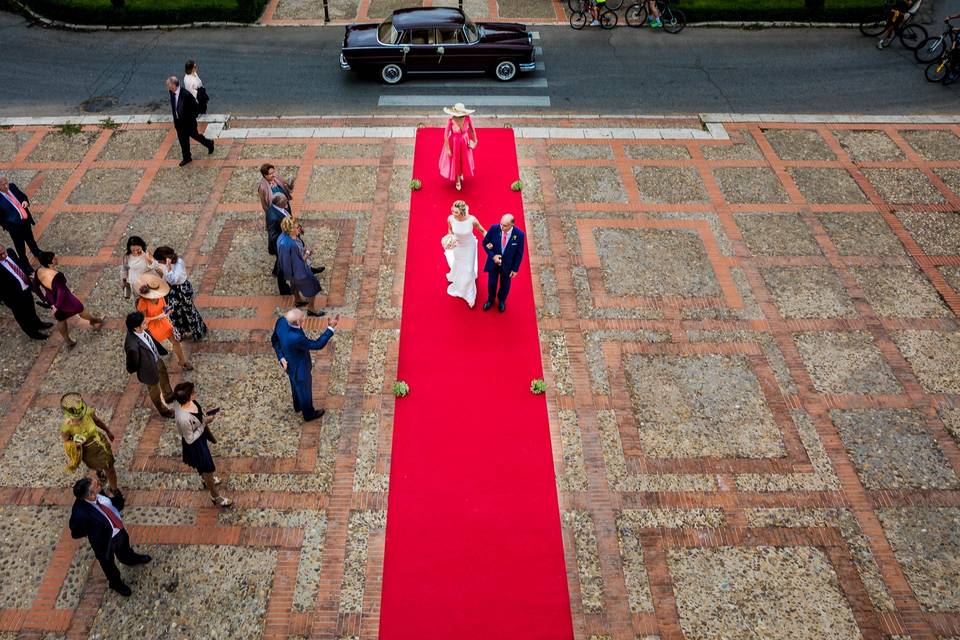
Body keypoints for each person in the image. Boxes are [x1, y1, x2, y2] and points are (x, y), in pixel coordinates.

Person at [69, 471, 151, 597]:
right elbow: (75, 532)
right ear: (90, 496)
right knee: (109, 566)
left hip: (117, 529)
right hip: (103, 542)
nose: (100, 485)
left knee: (125, 548)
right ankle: (116, 584)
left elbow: (112, 504)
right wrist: (94, 531)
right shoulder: (79, 513)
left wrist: (116, 497)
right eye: (97, 486)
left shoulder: (99, 492)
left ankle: (130, 559)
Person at [271, 308, 338, 422]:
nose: (304, 320)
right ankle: (309, 413)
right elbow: (317, 344)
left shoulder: (281, 321)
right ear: (297, 322)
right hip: (300, 368)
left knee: (295, 384)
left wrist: (281, 357)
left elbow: (274, 340)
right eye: (302, 319)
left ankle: (297, 405)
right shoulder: (296, 337)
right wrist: (330, 328)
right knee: (305, 390)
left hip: (289, 365)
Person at [172, 382, 232, 507]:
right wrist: (204, 424)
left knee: (204, 467)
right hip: (195, 445)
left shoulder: (187, 402)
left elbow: (198, 414)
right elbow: (189, 439)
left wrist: (204, 418)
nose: (196, 393)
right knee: (208, 468)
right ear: (187, 397)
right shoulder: (183, 418)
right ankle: (215, 496)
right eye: (193, 392)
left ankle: (206, 480)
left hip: (200, 438)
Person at [34, 251, 103, 348]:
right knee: (80, 309)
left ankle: (68, 341)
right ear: (50, 262)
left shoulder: (38, 271)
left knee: (61, 319)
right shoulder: (57, 275)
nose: (56, 259)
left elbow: (35, 287)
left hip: (52, 300)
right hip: (65, 300)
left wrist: (44, 299)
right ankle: (94, 320)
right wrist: (57, 306)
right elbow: (61, 293)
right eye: (54, 258)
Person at [60, 392, 120, 495]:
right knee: (94, 465)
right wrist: (75, 444)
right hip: (87, 452)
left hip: (100, 445)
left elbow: (97, 421)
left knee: (110, 467)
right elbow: (67, 442)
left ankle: (114, 490)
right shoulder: (66, 427)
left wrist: (107, 431)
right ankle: (99, 471)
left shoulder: (87, 412)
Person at [135, 271, 193, 370]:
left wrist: (167, 310)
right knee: (153, 348)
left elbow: (164, 306)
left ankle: (182, 361)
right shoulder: (142, 302)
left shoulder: (160, 296)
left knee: (176, 341)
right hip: (150, 326)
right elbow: (144, 320)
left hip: (163, 322)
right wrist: (159, 316)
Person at [124, 311, 175, 419]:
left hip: (156, 359)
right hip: (148, 370)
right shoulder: (132, 346)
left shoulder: (142, 329)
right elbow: (132, 364)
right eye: (143, 323)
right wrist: (143, 370)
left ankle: (169, 395)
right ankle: (163, 410)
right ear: (136, 328)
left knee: (164, 375)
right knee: (155, 392)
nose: (146, 323)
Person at [153, 246, 207, 341]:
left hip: (182, 290)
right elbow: (166, 277)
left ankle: (197, 332)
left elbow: (173, 280)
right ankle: (180, 333)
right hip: (173, 290)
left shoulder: (178, 264)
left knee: (189, 311)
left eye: (160, 261)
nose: (160, 263)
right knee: (174, 313)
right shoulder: (167, 263)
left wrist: (169, 268)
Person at [277, 216, 325, 317]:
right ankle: (311, 309)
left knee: (293, 284)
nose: (299, 228)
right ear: (290, 229)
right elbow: (298, 262)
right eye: (296, 227)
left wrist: (302, 250)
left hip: (289, 272)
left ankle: (298, 299)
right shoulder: (290, 245)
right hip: (298, 271)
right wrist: (307, 253)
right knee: (313, 285)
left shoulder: (282, 237)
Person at [0, 246, 51, 339]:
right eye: (0, 255)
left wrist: (28, 276)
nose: (4, 256)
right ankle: (33, 333)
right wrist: (10, 303)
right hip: (14, 298)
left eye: (3, 252)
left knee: (31, 309)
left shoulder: (10, 252)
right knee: (23, 317)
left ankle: (38, 324)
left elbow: (20, 265)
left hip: (26, 288)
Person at [443, 200, 486, 308]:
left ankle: (470, 295)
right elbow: (450, 230)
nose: (453, 213)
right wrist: (450, 239)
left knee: (469, 270)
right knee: (459, 264)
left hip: (469, 246)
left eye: (456, 212)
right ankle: (457, 279)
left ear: (462, 212)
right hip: (458, 246)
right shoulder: (450, 219)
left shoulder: (472, 220)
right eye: (453, 211)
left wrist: (490, 240)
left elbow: (482, 230)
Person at [0, 173, 44, 276]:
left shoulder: (13, 187)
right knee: (20, 248)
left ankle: (36, 252)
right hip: (15, 228)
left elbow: (23, 196)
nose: (6, 186)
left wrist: (25, 201)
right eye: (3, 185)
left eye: (6, 183)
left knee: (30, 239)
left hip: (25, 221)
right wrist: (10, 227)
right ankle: (26, 266)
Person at [165, 75, 213, 167]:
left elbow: (195, 107)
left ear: (174, 85)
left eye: (169, 85)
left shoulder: (186, 95)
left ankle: (209, 143)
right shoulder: (171, 92)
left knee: (196, 136)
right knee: (183, 141)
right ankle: (187, 157)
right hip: (179, 123)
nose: (168, 87)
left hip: (189, 123)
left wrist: (191, 118)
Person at [482, 214, 526, 313]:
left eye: (505, 225)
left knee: (505, 285)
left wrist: (515, 269)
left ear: (512, 225)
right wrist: (493, 256)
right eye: (501, 224)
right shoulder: (494, 228)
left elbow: (519, 254)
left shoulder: (519, 235)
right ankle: (491, 300)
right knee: (491, 284)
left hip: (508, 266)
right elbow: (484, 243)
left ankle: (501, 301)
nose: (501, 227)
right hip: (493, 264)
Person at [439, 103, 478, 191]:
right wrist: (448, 148)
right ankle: (457, 180)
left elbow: (472, 130)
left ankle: (461, 173)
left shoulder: (468, 118)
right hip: (454, 142)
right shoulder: (451, 120)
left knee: (464, 159)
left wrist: (475, 141)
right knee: (455, 161)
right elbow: (445, 134)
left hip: (465, 141)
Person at [266, 194, 294, 295]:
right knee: (282, 267)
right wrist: (286, 240)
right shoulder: (273, 217)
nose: (288, 203)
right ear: (279, 203)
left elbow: (288, 216)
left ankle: (274, 271)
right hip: (281, 245)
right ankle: (283, 289)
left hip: (288, 237)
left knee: (280, 261)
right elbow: (273, 236)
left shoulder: (281, 206)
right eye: (285, 202)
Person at [121, 236, 159, 300]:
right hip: (135, 283)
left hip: (149, 282)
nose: (135, 252)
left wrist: (148, 259)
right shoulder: (127, 256)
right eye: (133, 250)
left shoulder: (147, 253)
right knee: (139, 301)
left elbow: (155, 266)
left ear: (141, 246)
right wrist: (124, 281)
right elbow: (124, 268)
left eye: (138, 250)